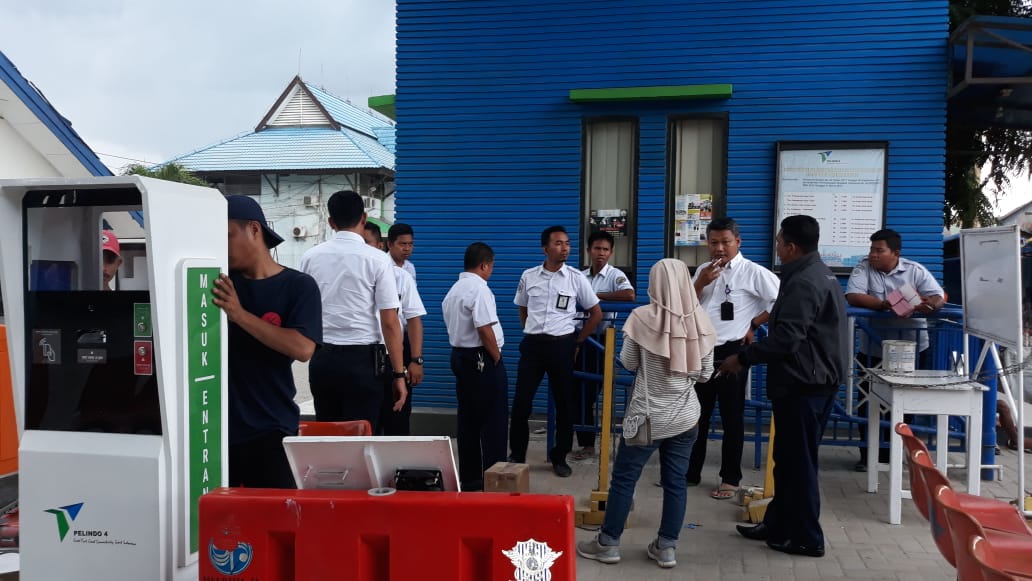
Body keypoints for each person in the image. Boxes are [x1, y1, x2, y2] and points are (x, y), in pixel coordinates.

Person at [577, 259, 716, 569]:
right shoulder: (701, 320)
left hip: (646, 417)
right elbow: (705, 374)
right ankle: (666, 548)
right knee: (675, 482)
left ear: (655, 284)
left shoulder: (641, 317)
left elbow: (628, 363)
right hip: (686, 416)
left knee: (624, 480)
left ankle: (608, 544)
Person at [724, 215, 849, 558]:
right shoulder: (815, 273)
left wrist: (743, 358)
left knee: (800, 464)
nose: (776, 247)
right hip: (808, 380)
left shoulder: (806, 281)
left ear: (792, 247)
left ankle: (808, 538)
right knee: (787, 459)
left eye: (779, 242)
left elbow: (787, 339)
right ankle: (777, 524)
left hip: (805, 384)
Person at [212, 195, 322, 488]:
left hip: (271, 429)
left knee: (272, 514)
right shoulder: (219, 284)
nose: (221, 245)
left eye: (226, 235)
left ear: (254, 229)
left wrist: (239, 315)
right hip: (214, 430)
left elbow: (302, 348)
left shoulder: (298, 286)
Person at [686, 218, 779, 499]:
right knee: (696, 415)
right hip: (702, 350)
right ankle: (690, 472)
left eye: (725, 242)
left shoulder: (753, 272)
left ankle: (730, 478)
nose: (719, 248)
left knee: (731, 416)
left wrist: (754, 325)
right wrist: (700, 283)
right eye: (714, 242)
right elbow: (687, 305)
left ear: (737, 242)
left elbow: (780, 301)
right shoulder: (703, 270)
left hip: (732, 351)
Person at [300, 190, 408, 433]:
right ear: (363, 218)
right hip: (364, 363)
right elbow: (390, 322)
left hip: (323, 359)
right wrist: (398, 374)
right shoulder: (378, 259)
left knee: (328, 432)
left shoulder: (310, 257)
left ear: (331, 222)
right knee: (362, 434)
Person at [845, 228, 945, 471]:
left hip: (911, 349)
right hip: (873, 348)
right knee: (868, 401)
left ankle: (895, 454)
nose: (873, 254)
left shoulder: (914, 270)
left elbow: (938, 296)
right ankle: (868, 455)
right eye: (872, 249)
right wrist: (883, 304)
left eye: (879, 250)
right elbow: (853, 295)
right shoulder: (863, 267)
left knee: (904, 402)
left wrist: (930, 305)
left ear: (896, 253)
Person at [510, 225, 602, 477]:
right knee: (521, 403)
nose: (565, 248)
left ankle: (559, 456)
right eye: (558, 243)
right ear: (545, 248)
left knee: (565, 404)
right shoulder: (529, 276)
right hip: (533, 347)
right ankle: (517, 455)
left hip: (562, 346)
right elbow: (522, 307)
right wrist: (530, 329)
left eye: (567, 243)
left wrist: (578, 341)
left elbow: (595, 313)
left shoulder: (575, 278)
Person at [442, 242, 508, 490]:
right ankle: (494, 478)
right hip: (482, 358)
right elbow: (484, 328)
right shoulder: (479, 289)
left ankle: (470, 479)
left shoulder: (454, 290)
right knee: (493, 420)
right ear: (484, 265)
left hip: (461, 357)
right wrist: (496, 358)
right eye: (491, 267)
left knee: (468, 419)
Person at [574, 230, 635, 461]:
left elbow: (629, 295)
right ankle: (584, 443)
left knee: (591, 392)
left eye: (605, 249)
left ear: (611, 252)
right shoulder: (579, 276)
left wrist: (595, 296)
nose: (601, 253)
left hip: (600, 340)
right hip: (578, 338)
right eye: (597, 248)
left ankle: (592, 442)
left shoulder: (615, 275)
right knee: (575, 392)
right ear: (589, 251)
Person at [364, 224, 426, 435]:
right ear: (388, 245)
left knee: (398, 411)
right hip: (368, 348)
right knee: (370, 413)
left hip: (398, 342)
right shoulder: (363, 271)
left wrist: (416, 359)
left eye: (410, 244)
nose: (407, 248)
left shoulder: (406, 272)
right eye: (402, 244)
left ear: (379, 245)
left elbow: (412, 317)